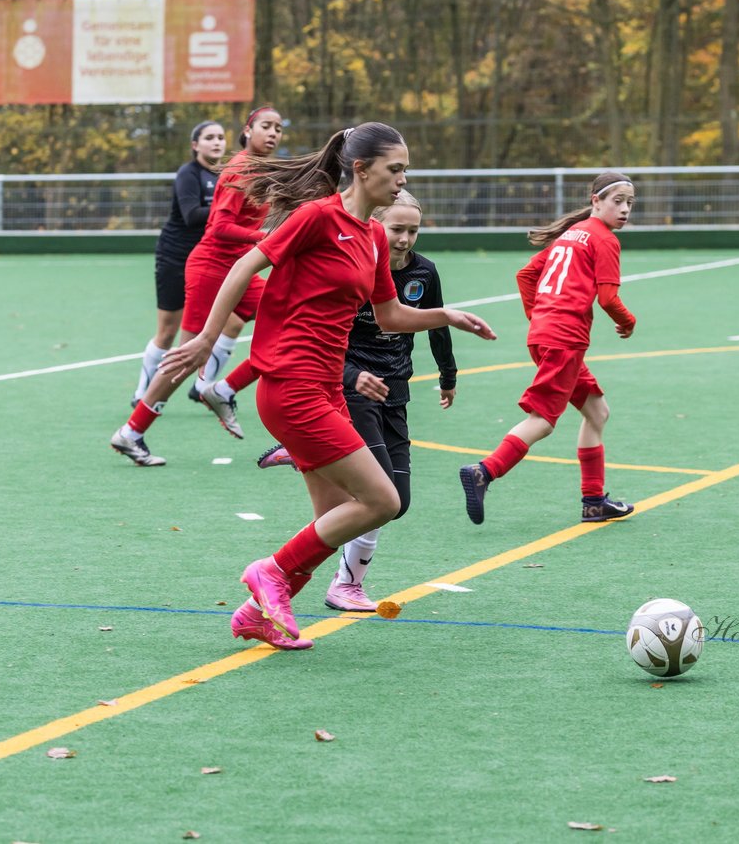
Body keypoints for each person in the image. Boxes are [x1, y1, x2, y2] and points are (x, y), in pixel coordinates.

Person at [159, 122, 496, 650]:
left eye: (405, 169)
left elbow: (389, 315)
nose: (403, 179)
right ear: (361, 169)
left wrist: (447, 316)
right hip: (290, 385)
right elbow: (246, 264)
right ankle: (269, 572)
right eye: (395, 169)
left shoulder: (372, 238)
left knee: (332, 519)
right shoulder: (318, 217)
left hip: (328, 391)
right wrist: (206, 338)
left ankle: (254, 615)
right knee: (383, 500)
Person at [257, 190, 458, 613]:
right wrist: (352, 376)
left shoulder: (424, 271)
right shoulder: (353, 265)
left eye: (413, 231)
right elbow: (326, 333)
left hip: (394, 390)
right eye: (397, 229)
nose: (404, 239)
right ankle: (345, 584)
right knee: (377, 497)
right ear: (377, 227)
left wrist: (448, 375)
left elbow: (426, 324)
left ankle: (305, 458)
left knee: (395, 502)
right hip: (348, 390)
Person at [458, 171, 639, 526]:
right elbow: (608, 299)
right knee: (542, 421)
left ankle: (594, 502)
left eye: (630, 203)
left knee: (597, 412)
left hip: (548, 335)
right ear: (596, 201)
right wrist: (628, 321)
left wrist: (539, 317)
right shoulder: (604, 239)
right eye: (617, 201)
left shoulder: (571, 234)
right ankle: (484, 471)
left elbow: (526, 276)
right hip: (564, 339)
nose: (625, 209)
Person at [111, 107, 284, 466]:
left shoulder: (263, 169)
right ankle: (131, 432)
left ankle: (224, 389)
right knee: (188, 356)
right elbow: (218, 227)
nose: (273, 133)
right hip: (211, 269)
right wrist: (264, 237)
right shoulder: (240, 169)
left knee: (288, 320)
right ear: (247, 131)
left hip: (237, 270)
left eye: (278, 128)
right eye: (266, 126)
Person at [129, 120, 228, 405]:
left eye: (220, 137)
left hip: (209, 261)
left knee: (229, 323)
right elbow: (191, 214)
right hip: (175, 258)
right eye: (209, 137)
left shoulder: (228, 175)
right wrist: (228, 208)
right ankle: (142, 395)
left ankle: (204, 387)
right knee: (168, 332)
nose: (216, 142)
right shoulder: (188, 174)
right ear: (195, 145)